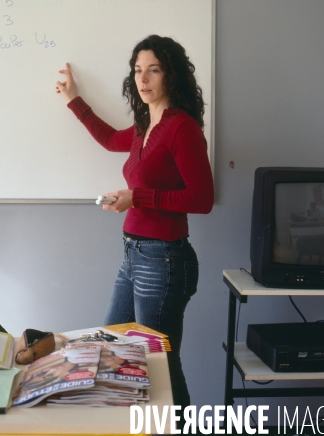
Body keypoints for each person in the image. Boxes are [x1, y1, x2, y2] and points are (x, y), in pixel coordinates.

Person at [55, 35, 214, 410]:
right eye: (138, 71)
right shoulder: (147, 124)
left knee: (160, 365)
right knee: (111, 343)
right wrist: (73, 100)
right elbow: (110, 138)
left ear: (170, 76)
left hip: (163, 260)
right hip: (135, 254)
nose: (143, 79)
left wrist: (137, 198)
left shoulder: (181, 128)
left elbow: (202, 199)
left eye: (153, 70)